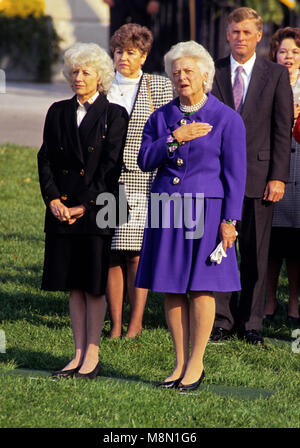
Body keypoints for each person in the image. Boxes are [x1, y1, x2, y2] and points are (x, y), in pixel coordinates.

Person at [135, 41, 246, 391]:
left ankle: (196, 365)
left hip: (208, 211)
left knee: (201, 288)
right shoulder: (161, 117)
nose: (181, 77)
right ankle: (179, 364)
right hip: (167, 209)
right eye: (176, 72)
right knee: (171, 288)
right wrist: (175, 138)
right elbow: (144, 161)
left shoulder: (227, 118)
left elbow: (235, 175)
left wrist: (231, 221)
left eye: (188, 71)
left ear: (205, 76)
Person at [38, 42, 128, 379]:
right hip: (61, 208)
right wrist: (54, 200)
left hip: (97, 208)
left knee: (93, 284)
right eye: (74, 71)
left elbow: (110, 167)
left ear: (100, 77)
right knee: (72, 284)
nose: (78, 77)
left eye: (86, 72)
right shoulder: (57, 111)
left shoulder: (114, 114)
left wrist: (81, 206)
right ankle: (76, 354)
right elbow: (45, 158)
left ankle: (93, 355)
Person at [211, 7, 293, 345]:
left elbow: (281, 129)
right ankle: (221, 319)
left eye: (246, 32)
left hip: (261, 179)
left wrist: (279, 177)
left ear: (259, 36)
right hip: (217, 178)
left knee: (257, 254)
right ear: (227, 34)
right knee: (221, 249)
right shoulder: (212, 71)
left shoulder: (274, 74)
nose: (240, 38)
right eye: (235, 32)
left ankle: (251, 323)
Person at [106, 23, 173, 338]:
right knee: (111, 253)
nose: (124, 58)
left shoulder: (156, 86)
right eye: (119, 51)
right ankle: (115, 323)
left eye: (131, 52)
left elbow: (167, 131)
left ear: (144, 56)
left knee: (135, 252)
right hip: (106, 180)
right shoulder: (103, 84)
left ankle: (136, 322)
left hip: (143, 178)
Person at [265, 27, 300, 326]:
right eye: (283, 52)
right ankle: (268, 299)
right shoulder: (268, 82)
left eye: (294, 52)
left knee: (296, 244)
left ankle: (294, 303)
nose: (288, 57)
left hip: (299, 168)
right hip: (274, 169)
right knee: (272, 242)